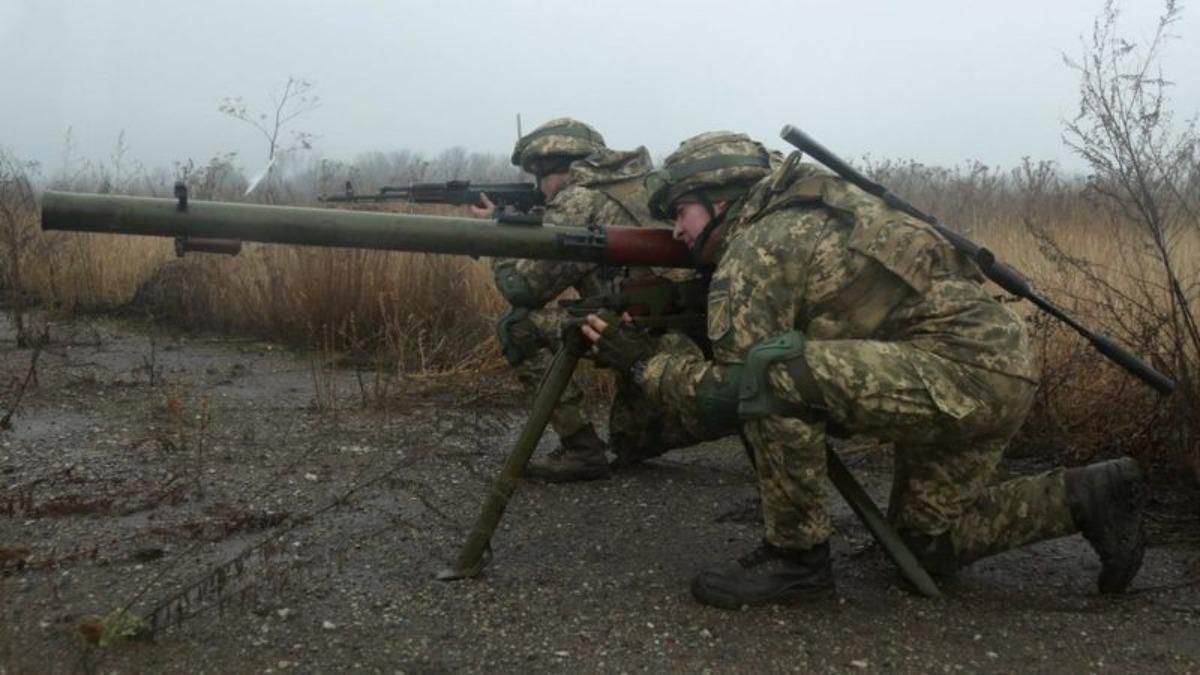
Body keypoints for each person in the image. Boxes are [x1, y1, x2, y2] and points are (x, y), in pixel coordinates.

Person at [582, 131, 1146, 609]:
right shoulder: (816, 209)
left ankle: (796, 560)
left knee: (773, 377)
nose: (676, 232)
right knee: (928, 545)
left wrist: (645, 362)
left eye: (681, 212)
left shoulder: (758, 246)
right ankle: (1088, 495)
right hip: (993, 371)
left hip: (957, 375)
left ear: (721, 200)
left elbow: (731, 394)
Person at [476, 118, 701, 481]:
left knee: (517, 327)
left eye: (540, 176)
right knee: (630, 445)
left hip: (641, 340)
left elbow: (523, 288)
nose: (540, 188)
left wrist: (496, 237)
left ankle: (581, 449)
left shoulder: (579, 200)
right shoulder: (639, 186)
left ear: (554, 167)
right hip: (687, 341)